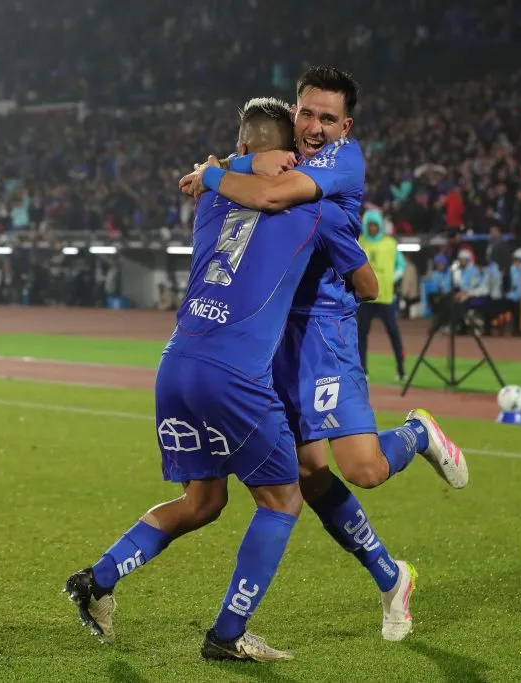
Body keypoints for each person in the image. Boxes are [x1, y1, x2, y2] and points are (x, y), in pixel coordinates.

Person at [64, 97, 378, 662]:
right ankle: (226, 636)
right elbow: (369, 284)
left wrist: (226, 167)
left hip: (176, 364)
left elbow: (239, 182)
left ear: (242, 149)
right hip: (234, 375)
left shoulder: (209, 194)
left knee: (203, 500)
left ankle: (98, 579)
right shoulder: (318, 211)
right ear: (289, 157)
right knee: (282, 499)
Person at [180, 65, 468, 642]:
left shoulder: (344, 160)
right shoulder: (283, 153)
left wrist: (214, 173)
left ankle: (417, 433)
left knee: (362, 470)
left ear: (346, 125)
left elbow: (271, 194)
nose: (313, 127)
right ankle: (391, 578)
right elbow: (255, 175)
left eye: (327, 118)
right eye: (305, 113)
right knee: (309, 476)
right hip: (274, 336)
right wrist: (232, 165)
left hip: (325, 330)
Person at [357, 208, 407, 381]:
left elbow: (401, 264)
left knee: (394, 333)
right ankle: (363, 370)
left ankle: (401, 369)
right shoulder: (359, 242)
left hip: (385, 297)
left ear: (379, 226)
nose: (372, 228)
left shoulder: (390, 243)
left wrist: (395, 276)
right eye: (369, 225)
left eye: (374, 225)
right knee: (361, 334)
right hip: (364, 297)